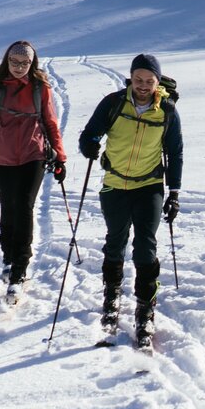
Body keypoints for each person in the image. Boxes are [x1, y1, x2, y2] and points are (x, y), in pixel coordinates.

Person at [78, 53, 183, 348]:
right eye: (138, 79)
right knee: (116, 241)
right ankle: (112, 295)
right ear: (131, 78)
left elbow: (175, 153)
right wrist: (88, 145)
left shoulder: (167, 112)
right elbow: (90, 132)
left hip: (149, 185)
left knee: (145, 245)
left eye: (149, 81)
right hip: (114, 185)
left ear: (157, 81)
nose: (143, 85)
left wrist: (174, 193)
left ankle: (145, 309)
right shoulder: (113, 103)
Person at [0, 40, 67, 303]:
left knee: (24, 207)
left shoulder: (40, 88)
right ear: (6, 61)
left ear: (32, 64)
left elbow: (51, 124)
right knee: (8, 208)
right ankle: (8, 257)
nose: (19, 67)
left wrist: (60, 157)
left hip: (34, 155)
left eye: (25, 63)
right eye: (14, 62)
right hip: (3, 157)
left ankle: (19, 271)